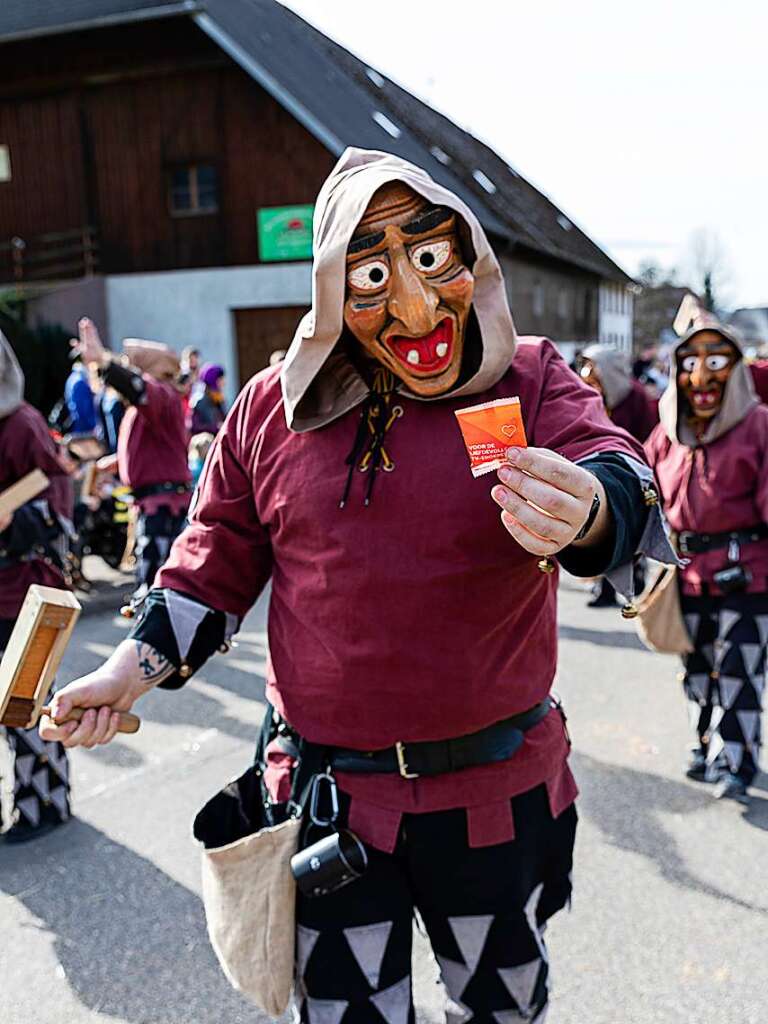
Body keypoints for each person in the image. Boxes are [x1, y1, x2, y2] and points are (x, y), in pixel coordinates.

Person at [42, 150, 672, 1022]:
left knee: (503, 1010)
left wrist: (591, 507)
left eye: (430, 259)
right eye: (372, 272)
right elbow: (212, 558)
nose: (414, 306)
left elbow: (619, 470)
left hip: (492, 796)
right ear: (333, 284)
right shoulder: (271, 406)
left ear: (471, 258)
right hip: (335, 807)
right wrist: (126, 670)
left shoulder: (526, 378)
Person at [645, 320, 767, 803]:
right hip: (687, 574)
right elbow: (646, 491)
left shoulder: (759, 425)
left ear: (735, 370)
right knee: (696, 669)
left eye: (716, 363)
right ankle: (703, 747)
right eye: (690, 364)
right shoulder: (668, 432)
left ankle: (737, 762)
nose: (701, 378)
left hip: (750, 572)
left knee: (739, 669)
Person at [0, 332, 73, 842]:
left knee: (23, 705)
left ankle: (44, 806)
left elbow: (60, 503)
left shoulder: (22, 424)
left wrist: (12, 518)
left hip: (22, 589)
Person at [72, 319, 191, 606]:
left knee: (157, 593)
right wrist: (114, 465)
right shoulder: (151, 406)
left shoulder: (161, 395)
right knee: (155, 591)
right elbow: (154, 448)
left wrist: (103, 359)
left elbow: (137, 386)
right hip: (154, 505)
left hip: (163, 509)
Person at [579, 344, 659, 607]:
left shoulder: (633, 396)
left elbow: (647, 438)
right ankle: (605, 589)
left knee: (633, 533)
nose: (587, 372)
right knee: (604, 532)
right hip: (600, 475)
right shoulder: (594, 396)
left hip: (634, 474)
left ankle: (635, 586)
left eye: (593, 366)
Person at [189, 363, 227, 435]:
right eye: (220, 379)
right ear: (212, 380)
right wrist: (215, 428)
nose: (224, 382)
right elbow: (195, 427)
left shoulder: (218, 399)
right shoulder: (199, 402)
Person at [64, 358, 97, 435]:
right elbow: (84, 413)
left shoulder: (72, 378)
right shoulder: (80, 381)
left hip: (79, 431)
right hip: (85, 434)